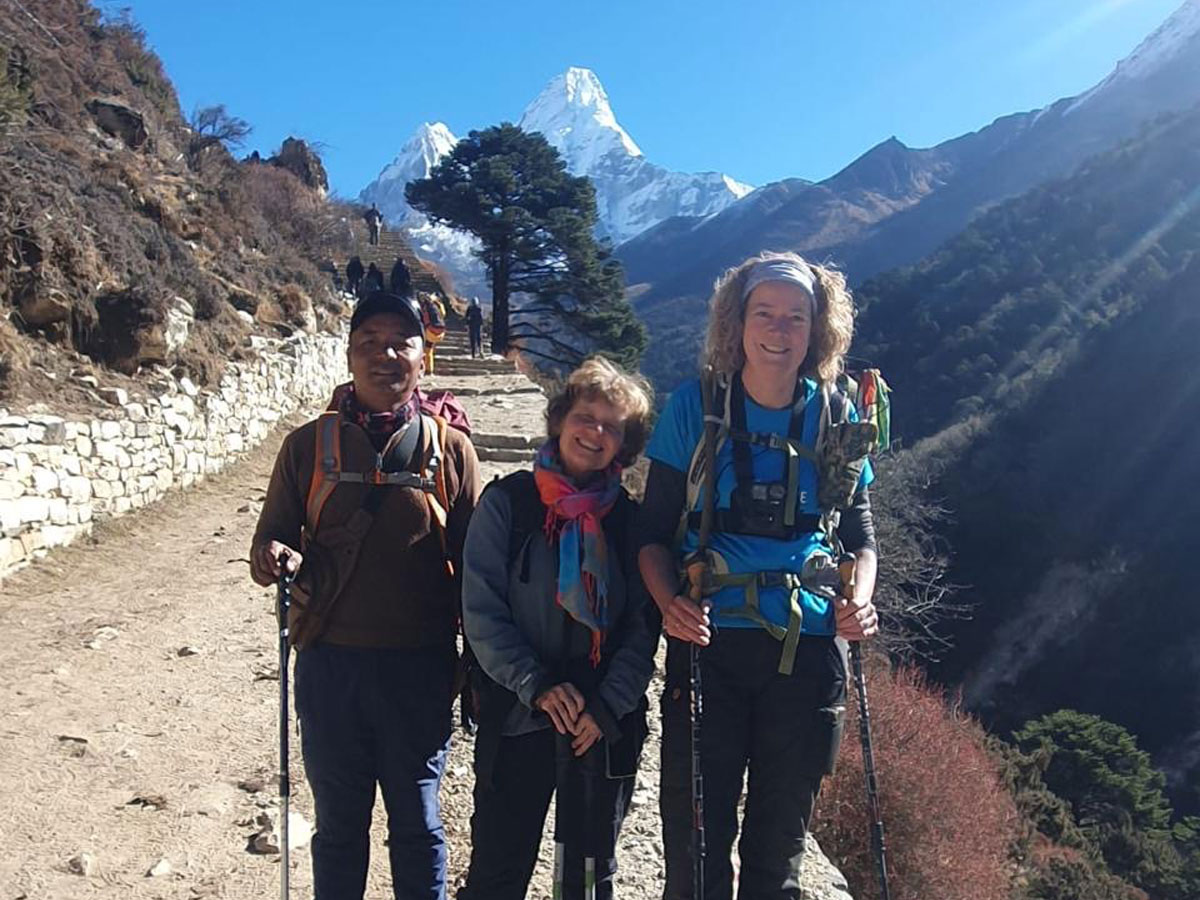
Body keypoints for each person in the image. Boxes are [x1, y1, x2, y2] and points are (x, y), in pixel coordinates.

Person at [636, 251, 880, 900]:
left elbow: (859, 539)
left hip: (806, 652)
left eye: (795, 317)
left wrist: (860, 600)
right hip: (710, 643)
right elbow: (652, 534)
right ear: (736, 324)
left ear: (817, 329)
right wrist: (669, 604)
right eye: (764, 313)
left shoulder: (840, 420)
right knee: (695, 850)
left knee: (778, 856)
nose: (780, 329)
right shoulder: (695, 408)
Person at [249, 289, 481, 900]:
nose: (386, 355)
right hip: (331, 665)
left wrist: (479, 665)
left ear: (422, 358)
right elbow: (265, 545)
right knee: (340, 829)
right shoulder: (307, 447)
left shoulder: (450, 449)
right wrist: (277, 558)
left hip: (422, 668)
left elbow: (477, 568)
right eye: (369, 343)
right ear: (349, 358)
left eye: (400, 343)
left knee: (419, 825)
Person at [458, 357, 658, 900]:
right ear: (560, 417)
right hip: (519, 715)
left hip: (600, 724)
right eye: (585, 415)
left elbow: (644, 628)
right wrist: (538, 686)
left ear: (625, 444)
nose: (594, 432)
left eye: (611, 426)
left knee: (590, 880)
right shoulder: (509, 505)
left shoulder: (629, 525)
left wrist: (606, 705)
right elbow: (480, 612)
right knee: (498, 871)